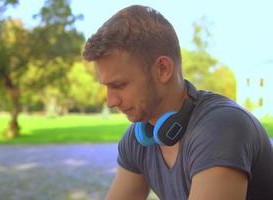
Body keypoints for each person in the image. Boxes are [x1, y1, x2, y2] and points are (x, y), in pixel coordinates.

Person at [83, 5, 273, 200]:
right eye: (106, 86)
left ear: (163, 70)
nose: (111, 101)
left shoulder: (221, 127)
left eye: (119, 85)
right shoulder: (139, 138)